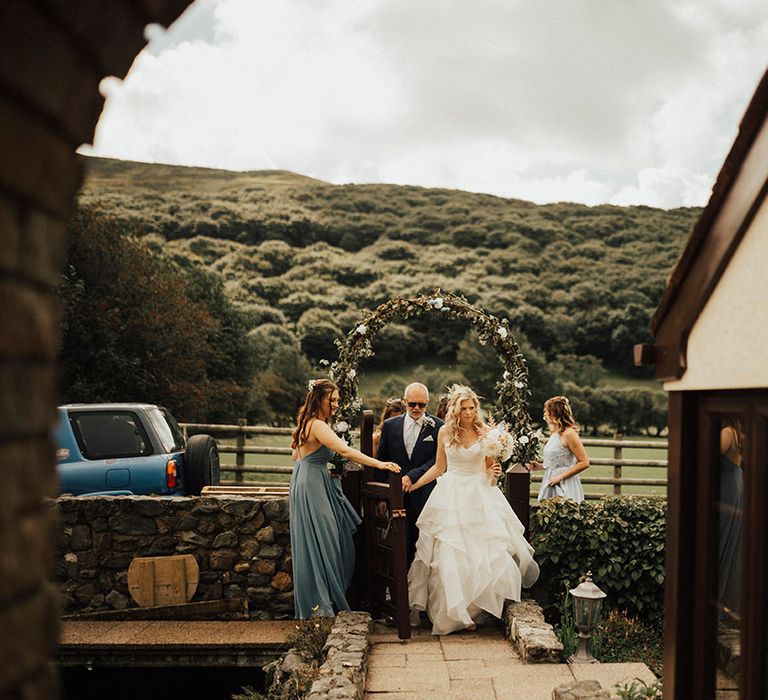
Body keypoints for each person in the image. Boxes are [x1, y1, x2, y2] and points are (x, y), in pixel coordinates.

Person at [406, 384, 539, 634]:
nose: (468, 412)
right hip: (451, 495)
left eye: (472, 407)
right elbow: (438, 468)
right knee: (448, 556)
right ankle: (450, 615)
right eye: (464, 408)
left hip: (478, 496)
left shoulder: (485, 433)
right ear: (455, 409)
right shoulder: (445, 432)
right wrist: (414, 484)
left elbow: (490, 470)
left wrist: (494, 474)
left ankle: (474, 609)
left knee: (479, 555)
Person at [290, 378, 400, 619]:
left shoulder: (307, 423)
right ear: (320, 399)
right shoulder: (317, 425)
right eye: (333, 400)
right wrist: (380, 463)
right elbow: (345, 450)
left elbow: (296, 455)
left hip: (308, 479)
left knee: (326, 537)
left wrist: (320, 466)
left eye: (338, 399)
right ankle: (321, 603)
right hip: (312, 486)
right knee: (323, 539)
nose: (337, 404)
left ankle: (324, 597)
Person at [376, 382, 443, 567]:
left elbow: (436, 461)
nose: (416, 409)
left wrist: (413, 475)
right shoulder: (390, 426)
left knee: (423, 543)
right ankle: (401, 588)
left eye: (422, 405)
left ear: (427, 403)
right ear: (405, 401)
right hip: (397, 495)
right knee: (399, 542)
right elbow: (382, 459)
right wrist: (381, 497)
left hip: (426, 494)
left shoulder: (438, 426)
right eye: (412, 404)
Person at [530, 396, 589, 502]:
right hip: (551, 481)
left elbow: (584, 462)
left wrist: (561, 477)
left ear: (555, 413)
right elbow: (558, 461)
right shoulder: (555, 433)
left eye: (547, 411)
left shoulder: (570, 434)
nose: (544, 414)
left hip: (565, 484)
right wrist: (541, 466)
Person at [717, 417, 743, 618]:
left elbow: (706, 456)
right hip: (733, 483)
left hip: (728, 487)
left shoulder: (727, 432)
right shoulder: (737, 431)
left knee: (722, 540)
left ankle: (721, 601)